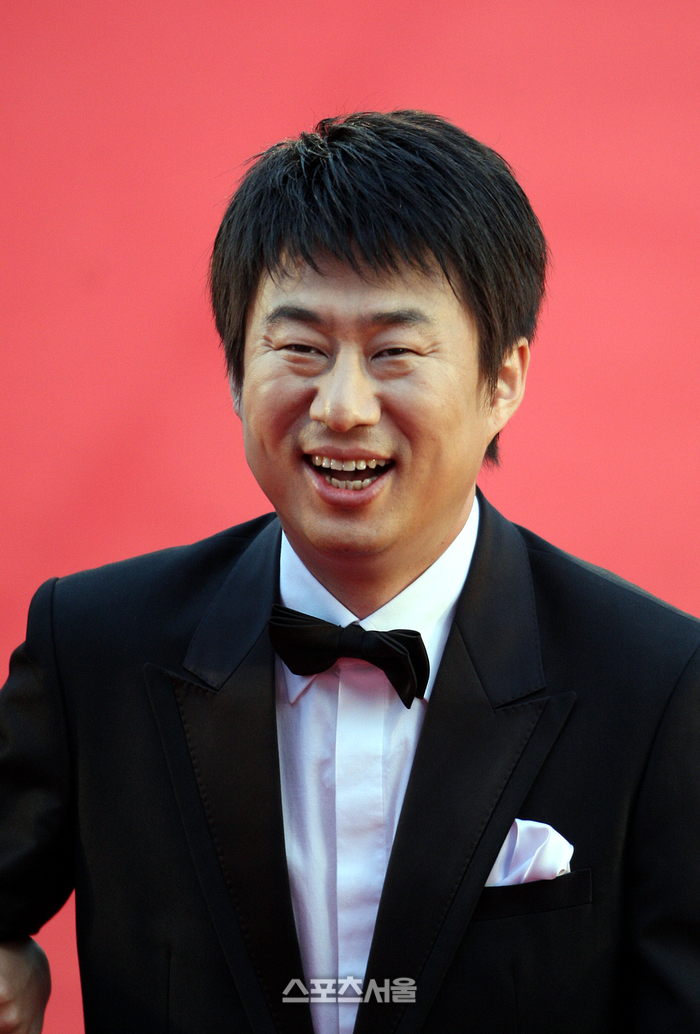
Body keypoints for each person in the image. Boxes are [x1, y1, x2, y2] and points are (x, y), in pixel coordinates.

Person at [1, 111, 699, 1034]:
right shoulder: (95, 648)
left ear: (503, 379)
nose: (342, 405)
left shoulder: (653, 684)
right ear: (235, 370)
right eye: (300, 348)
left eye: (394, 352)